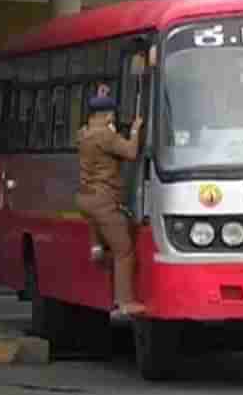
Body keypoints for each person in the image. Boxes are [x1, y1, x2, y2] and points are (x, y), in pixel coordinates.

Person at [75, 86, 145, 315]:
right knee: (124, 250)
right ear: (107, 115)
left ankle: (97, 246)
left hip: (85, 198)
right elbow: (131, 153)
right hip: (103, 199)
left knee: (109, 230)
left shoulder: (83, 133)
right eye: (111, 114)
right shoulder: (105, 136)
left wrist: (101, 97)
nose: (114, 117)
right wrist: (135, 131)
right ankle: (124, 302)